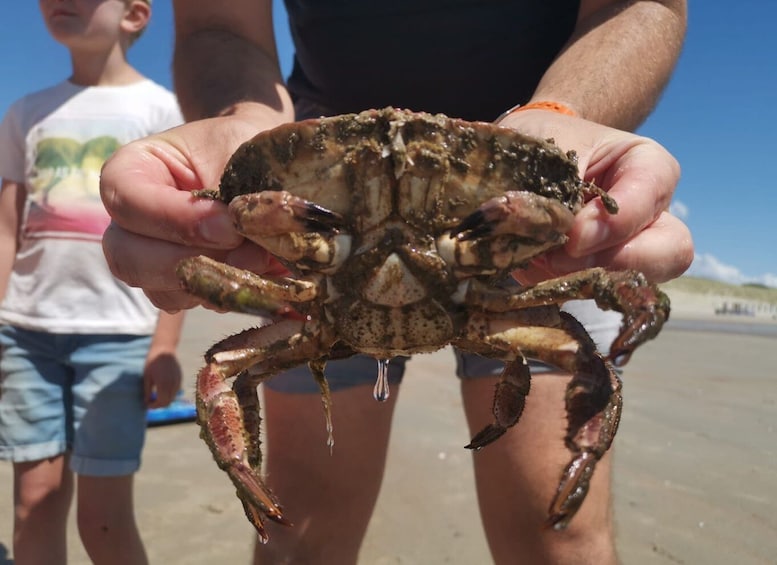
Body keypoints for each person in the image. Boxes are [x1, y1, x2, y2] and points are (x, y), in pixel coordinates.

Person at [100, 0, 694, 563]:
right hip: (299, 248)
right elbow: (217, 24)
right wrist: (242, 125)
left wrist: (556, 117)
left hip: (532, 216)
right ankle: (245, 468)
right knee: (297, 540)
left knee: (559, 534)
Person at [0, 1, 186, 563]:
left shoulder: (164, 111)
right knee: (35, 500)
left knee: (102, 517)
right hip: (25, 332)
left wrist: (165, 346)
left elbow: (178, 245)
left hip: (120, 339)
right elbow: (7, 229)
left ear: (134, 14)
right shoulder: (26, 111)